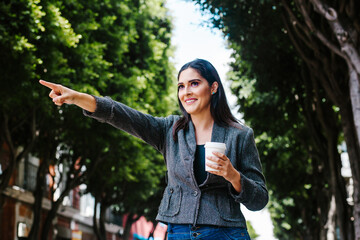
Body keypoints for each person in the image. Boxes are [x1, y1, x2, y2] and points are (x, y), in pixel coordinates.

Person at [40, 59, 268, 240]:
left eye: (194, 83)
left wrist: (233, 176)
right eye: (181, 86)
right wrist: (78, 98)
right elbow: (123, 115)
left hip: (226, 233)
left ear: (214, 87)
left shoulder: (240, 135)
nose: (186, 91)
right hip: (179, 233)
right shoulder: (170, 131)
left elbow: (259, 199)